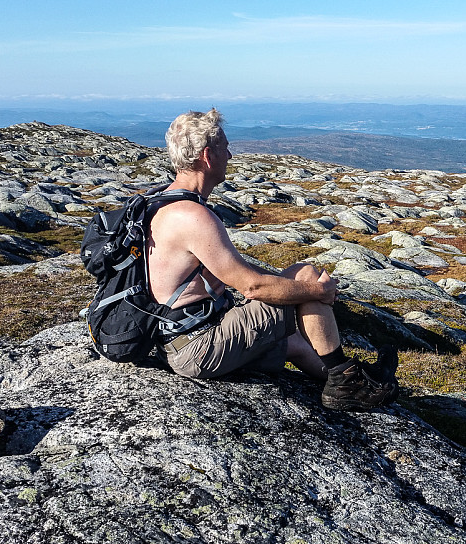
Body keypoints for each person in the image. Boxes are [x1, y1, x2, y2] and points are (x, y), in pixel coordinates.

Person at [146, 109, 398, 411]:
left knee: (296, 345)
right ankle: (343, 385)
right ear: (207, 156)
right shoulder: (192, 216)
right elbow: (251, 288)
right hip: (196, 347)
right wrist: (317, 293)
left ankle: (358, 380)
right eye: (225, 147)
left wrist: (283, 283)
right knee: (306, 277)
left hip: (174, 341)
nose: (230, 154)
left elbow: (232, 272)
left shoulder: (161, 201)